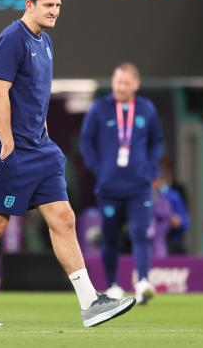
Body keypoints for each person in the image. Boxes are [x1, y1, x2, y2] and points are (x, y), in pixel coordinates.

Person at [0, 0, 136, 328]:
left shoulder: (46, 41)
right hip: (12, 150)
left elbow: (37, 97)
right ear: (30, 5)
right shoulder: (10, 40)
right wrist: (6, 141)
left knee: (64, 218)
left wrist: (46, 137)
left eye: (58, 6)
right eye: (48, 5)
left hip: (42, 151)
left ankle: (90, 303)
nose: (54, 12)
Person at [80, 62, 163, 305]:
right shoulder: (99, 108)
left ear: (136, 84)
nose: (121, 87)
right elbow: (86, 142)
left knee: (140, 233)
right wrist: (99, 170)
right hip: (109, 187)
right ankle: (113, 284)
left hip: (139, 186)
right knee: (110, 237)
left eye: (126, 83)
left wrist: (149, 168)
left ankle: (144, 282)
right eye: (117, 82)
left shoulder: (147, 109)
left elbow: (156, 140)